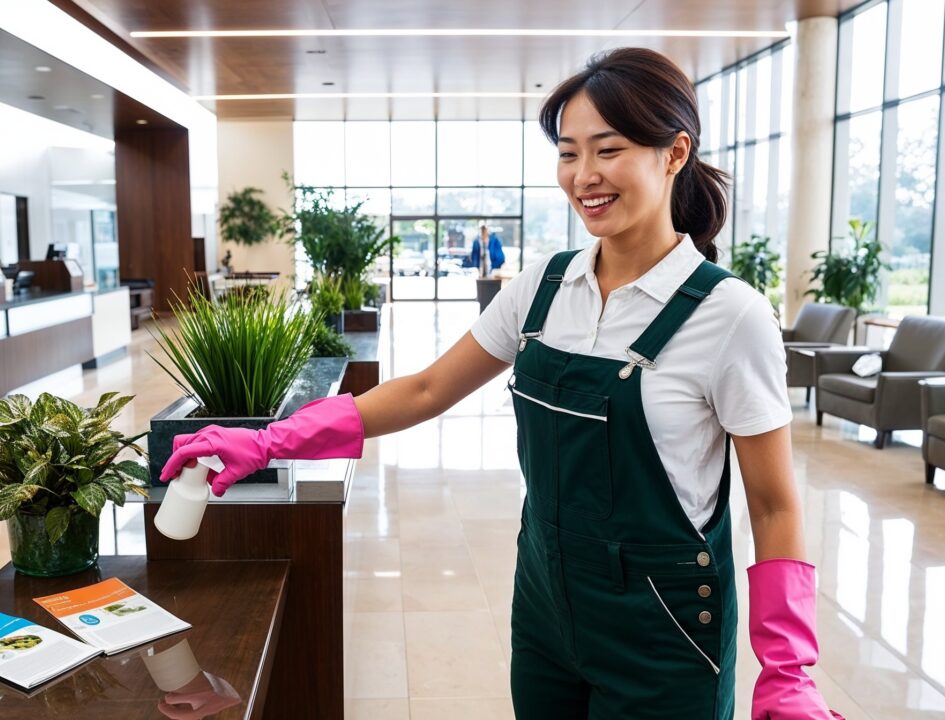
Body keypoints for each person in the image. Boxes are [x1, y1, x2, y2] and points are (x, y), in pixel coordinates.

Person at [161, 47, 841, 720]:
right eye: (567, 152)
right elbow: (426, 389)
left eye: (607, 150)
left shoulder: (728, 316)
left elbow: (774, 506)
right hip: (545, 609)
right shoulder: (542, 290)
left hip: (661, 632)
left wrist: (788, 667)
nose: (582, 176)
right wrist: (272, 440)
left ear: (673, 153)